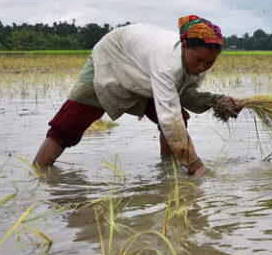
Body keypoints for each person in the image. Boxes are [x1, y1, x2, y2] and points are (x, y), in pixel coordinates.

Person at [32, 15, 241, 175]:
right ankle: (37, 176)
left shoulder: (194, 64)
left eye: (209, 63)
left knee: (179, 121)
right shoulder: (167, 63)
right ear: (184, 46)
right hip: (113, 59)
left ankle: (167, 173)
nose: (202, 67)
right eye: (198, 60)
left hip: (145, 71)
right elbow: (171, 118)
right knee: (67, 125)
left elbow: (184, 94)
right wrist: (195, 165)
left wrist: (216, 101)